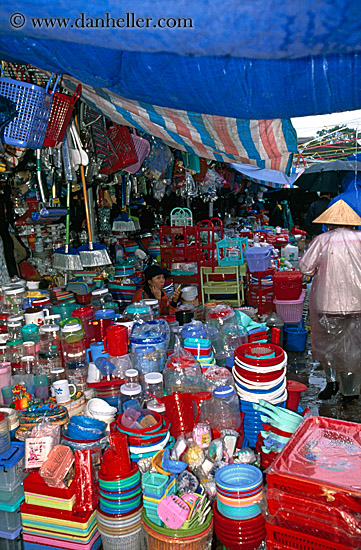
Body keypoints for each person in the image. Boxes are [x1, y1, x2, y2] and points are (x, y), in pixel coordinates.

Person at [299, 199, 361, 401]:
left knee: (327, 346)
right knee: (353, 348)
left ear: (329, 223)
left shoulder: (322, 240)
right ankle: (350, 391)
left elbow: (305, 268)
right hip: (357, 303)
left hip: (327, 303)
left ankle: (331, 382)